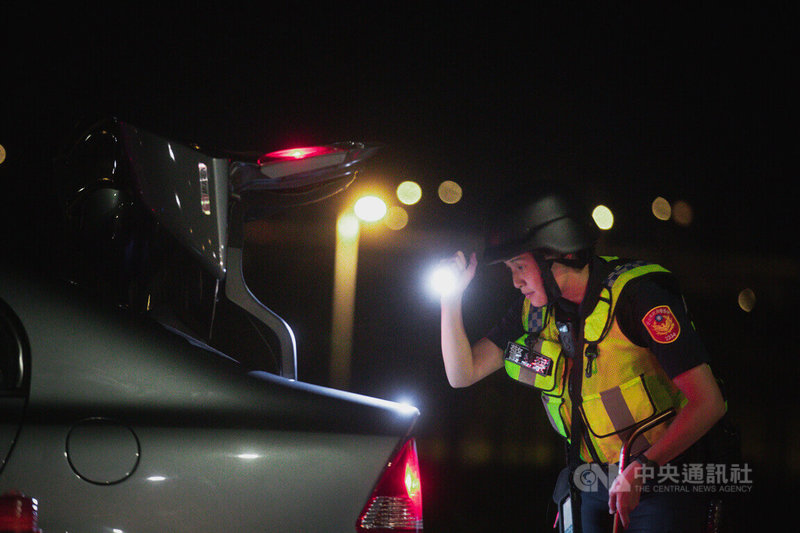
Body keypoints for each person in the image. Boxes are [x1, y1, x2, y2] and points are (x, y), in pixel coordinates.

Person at [439, 180, 729, 532]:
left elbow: (709, 403)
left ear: (554, 255)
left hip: (664, 476)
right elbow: (462, 372)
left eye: (519, 266)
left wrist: (642, 468)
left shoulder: (639, 300)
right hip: (592, 481)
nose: (515, 282)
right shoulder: (535, 312)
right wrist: (450, 300)